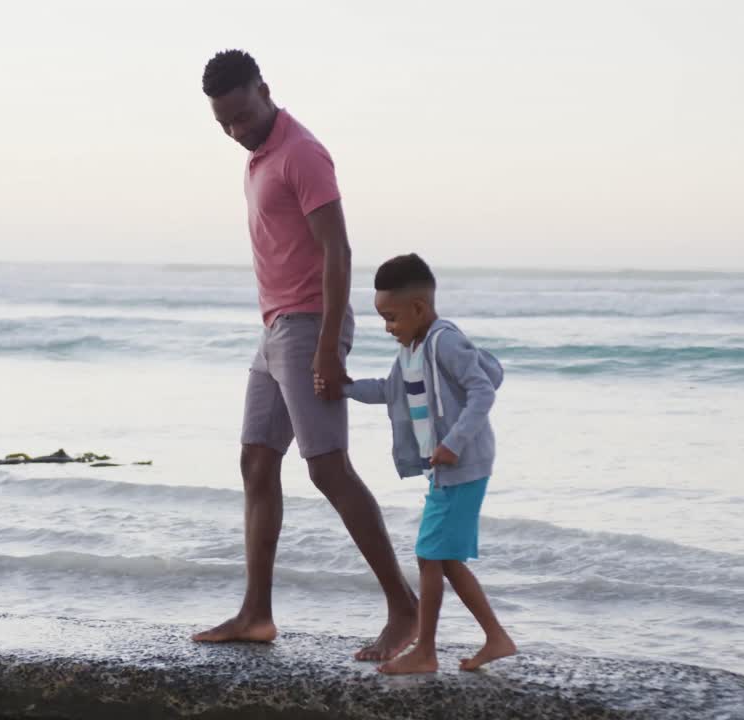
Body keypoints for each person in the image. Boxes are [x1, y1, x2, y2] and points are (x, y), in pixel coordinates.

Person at [191, 49, 418, 662]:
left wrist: (326, 349)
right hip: (275, 329)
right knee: (256, 461)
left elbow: (338, 251)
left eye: (242, 116)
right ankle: (256, 614)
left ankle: (405, 609)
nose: (236, 131)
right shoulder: (258, 156)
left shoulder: (301, 153)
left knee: (328, 467)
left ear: (265, 90)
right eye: (223, 123)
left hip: (309, 324)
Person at [317, 253, 517, 674]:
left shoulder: (445, 342)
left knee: (429, 556)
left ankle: (426, 651)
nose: (388, 327)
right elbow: (389, 391)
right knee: (443, 560)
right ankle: (495, 637)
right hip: (446, 470)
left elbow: (482, 391)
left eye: (391, 318)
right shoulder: (410, 351)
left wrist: (454, 442)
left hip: (463, 467)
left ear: (419, 308)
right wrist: (344, 388)